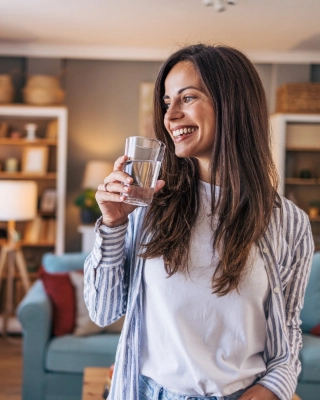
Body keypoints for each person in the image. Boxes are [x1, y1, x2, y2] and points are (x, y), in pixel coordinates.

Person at [84, 44, 314, 400]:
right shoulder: (146, 204)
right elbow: (103, 311)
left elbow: (287, 333)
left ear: (233, 105)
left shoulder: (289, 224)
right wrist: (113, 225)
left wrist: (271, 390)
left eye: (187, 98)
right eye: (166, 102)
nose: (170, 115)